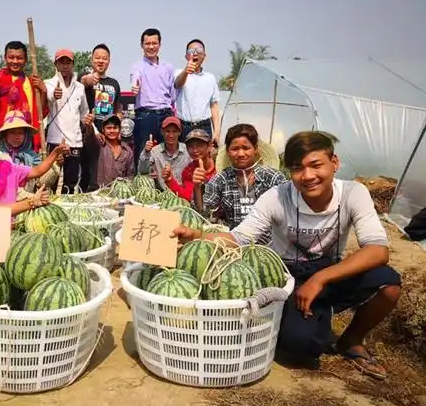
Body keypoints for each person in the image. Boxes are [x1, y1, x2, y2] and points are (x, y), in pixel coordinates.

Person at [172, 131, 402, 380]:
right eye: (297, 168)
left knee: (388, 283)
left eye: (316, 165)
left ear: (334, 163)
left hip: (330, 272)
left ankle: (351, 340)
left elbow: (378, 250)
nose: (308, 176)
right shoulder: (277, 197)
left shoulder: (353, 193)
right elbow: (238, 238)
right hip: (291, 274)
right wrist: (195, 235)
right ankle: (316, 313)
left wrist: (321, 279)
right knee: (299, 346)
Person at [193, 123, 287, 231]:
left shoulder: (273, 177)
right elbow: (202, 214)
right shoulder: (220, 180)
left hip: (270, 243)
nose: (241, 154)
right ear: (228, 151)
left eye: (246, 148)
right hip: (234, 242)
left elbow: (288, 213)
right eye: (235, 149)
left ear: (255, 149)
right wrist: (197, 187)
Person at [0, 120, 69, 203]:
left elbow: (37, 171)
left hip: (10, 225)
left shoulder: (7, 166)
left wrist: (55, 153)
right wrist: (32, 201)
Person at [0, 40, 48, 151]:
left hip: (25, 139)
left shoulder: (31, 82)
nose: (15, 61)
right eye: (11, 57)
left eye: (19, 58)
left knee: (26, 167)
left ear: (25, 60)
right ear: (5, 58)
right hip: (3, 136)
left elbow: (40, 112)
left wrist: (43, 91)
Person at [78, 44, 122, 192]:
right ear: (92, 60)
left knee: (104, 171)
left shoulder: (114, 83)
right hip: (89, 132)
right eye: (97, 58)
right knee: (87, 171)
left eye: (104, 58)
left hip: (108, 134)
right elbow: (84, 80)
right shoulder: (84, 77)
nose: (100, 61)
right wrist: (89, 79)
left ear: (109, 61)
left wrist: (118, 130)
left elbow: (118, 109)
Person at [45, 49, 90, 194]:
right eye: (61, 62)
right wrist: (53, 96)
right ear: (56, 64)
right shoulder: (49, 84)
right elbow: (47, 99)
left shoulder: (80, 87)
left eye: (68, 62)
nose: (65, 65)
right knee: (50, 179)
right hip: (55, 140)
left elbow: (84, 112)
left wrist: (91, 125)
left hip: (75, 141)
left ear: (73, 64)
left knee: (70, 183)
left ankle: (68, 212)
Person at [130, 28, 176, 166]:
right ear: (142, 46)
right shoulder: (137, 66)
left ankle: (166, 185)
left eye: (154, 43)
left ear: (159, 45)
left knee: (167, 153)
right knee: (143, 152)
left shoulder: (168, 67)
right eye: (147, 43)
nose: (151, 47)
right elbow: (135, 82)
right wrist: (135, 88)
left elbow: (172, 95)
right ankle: (141, 184)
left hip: (165, 114)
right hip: (145, 116)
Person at [173, 39, 221, 145]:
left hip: (204, 126)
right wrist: (186, 71)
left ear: (204, 55)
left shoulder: (210, 78)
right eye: (191, 51)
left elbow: (214, 105)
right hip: (184, 126)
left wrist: (217, 131)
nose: (195, 53)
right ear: (186, 56)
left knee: (204, 159)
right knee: (184, 159)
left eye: (199, 50)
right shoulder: (178, 73)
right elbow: (177, 84)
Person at [138, 116, 190, 190]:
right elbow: (142, 171)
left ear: (179, 132)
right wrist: (146, 152)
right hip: (162, 194)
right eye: (167, 131)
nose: (171, 135)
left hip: (183, 193)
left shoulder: (187, 150)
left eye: (174, 131)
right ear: (162, 132)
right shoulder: (155, 151)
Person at [163, 129, 216, 201]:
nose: (195, 150)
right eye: (190, 146)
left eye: (199, 145)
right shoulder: (188, 171)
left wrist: (206, 182)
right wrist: (170, 180)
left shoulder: (220, 164)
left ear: (209, 146)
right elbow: (188, 196)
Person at [95, 115, 134, 186]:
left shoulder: (127, 151)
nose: (112, 131)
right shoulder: (98, 145)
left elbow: (130, 175)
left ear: (120, 129)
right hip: (99, 192)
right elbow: (89, 137)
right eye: (108, 128)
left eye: (115, 128)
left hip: (119, 192)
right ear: (103, 129)